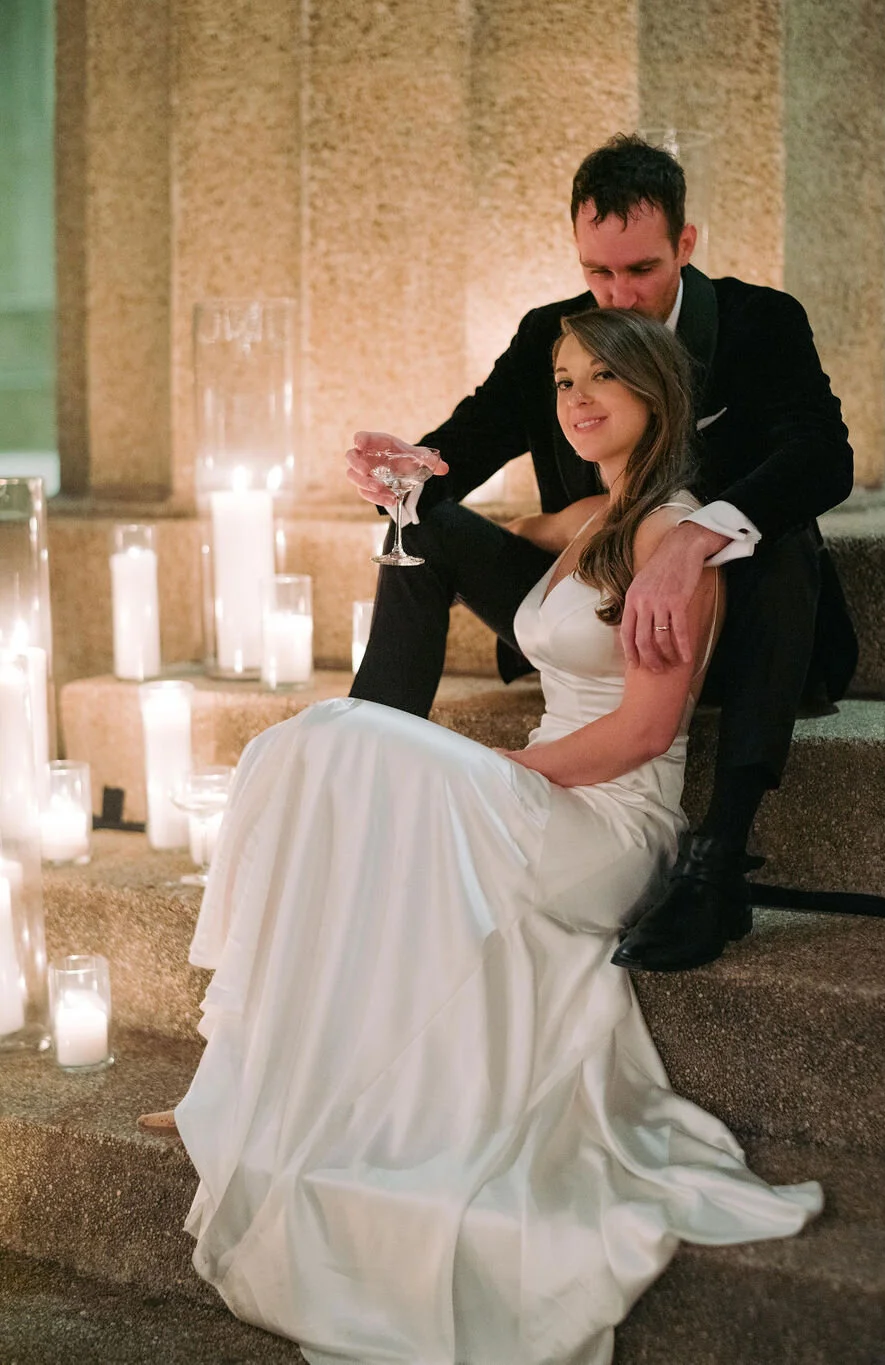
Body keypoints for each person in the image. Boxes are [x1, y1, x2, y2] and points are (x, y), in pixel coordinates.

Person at [174, 309, 822, 1365]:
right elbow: (460, 530)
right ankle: (250, 1062)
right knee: (315, 754)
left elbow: (648, 729)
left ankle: (248, 1047)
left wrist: (498, 772)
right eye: (563, 380)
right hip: (541, 793)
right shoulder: (585, 520)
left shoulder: (672, 537)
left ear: (656, 393)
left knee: (337, 740)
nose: (575, 397)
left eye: (602, 374)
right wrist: (408, 487)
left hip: (610, 816)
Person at [346, 134, 858, 974]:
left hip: (727, 631)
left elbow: (822, 457)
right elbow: (462, 448)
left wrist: (693, 538)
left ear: (686, 244)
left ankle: (718, 858)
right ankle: (370, 750)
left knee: (783, 537)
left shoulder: (762, 321)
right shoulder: (554, 336)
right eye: (599, 273)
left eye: (642, 270)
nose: (619, 293)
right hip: (595, 617)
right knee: (416, 520)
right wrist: (402, 468)